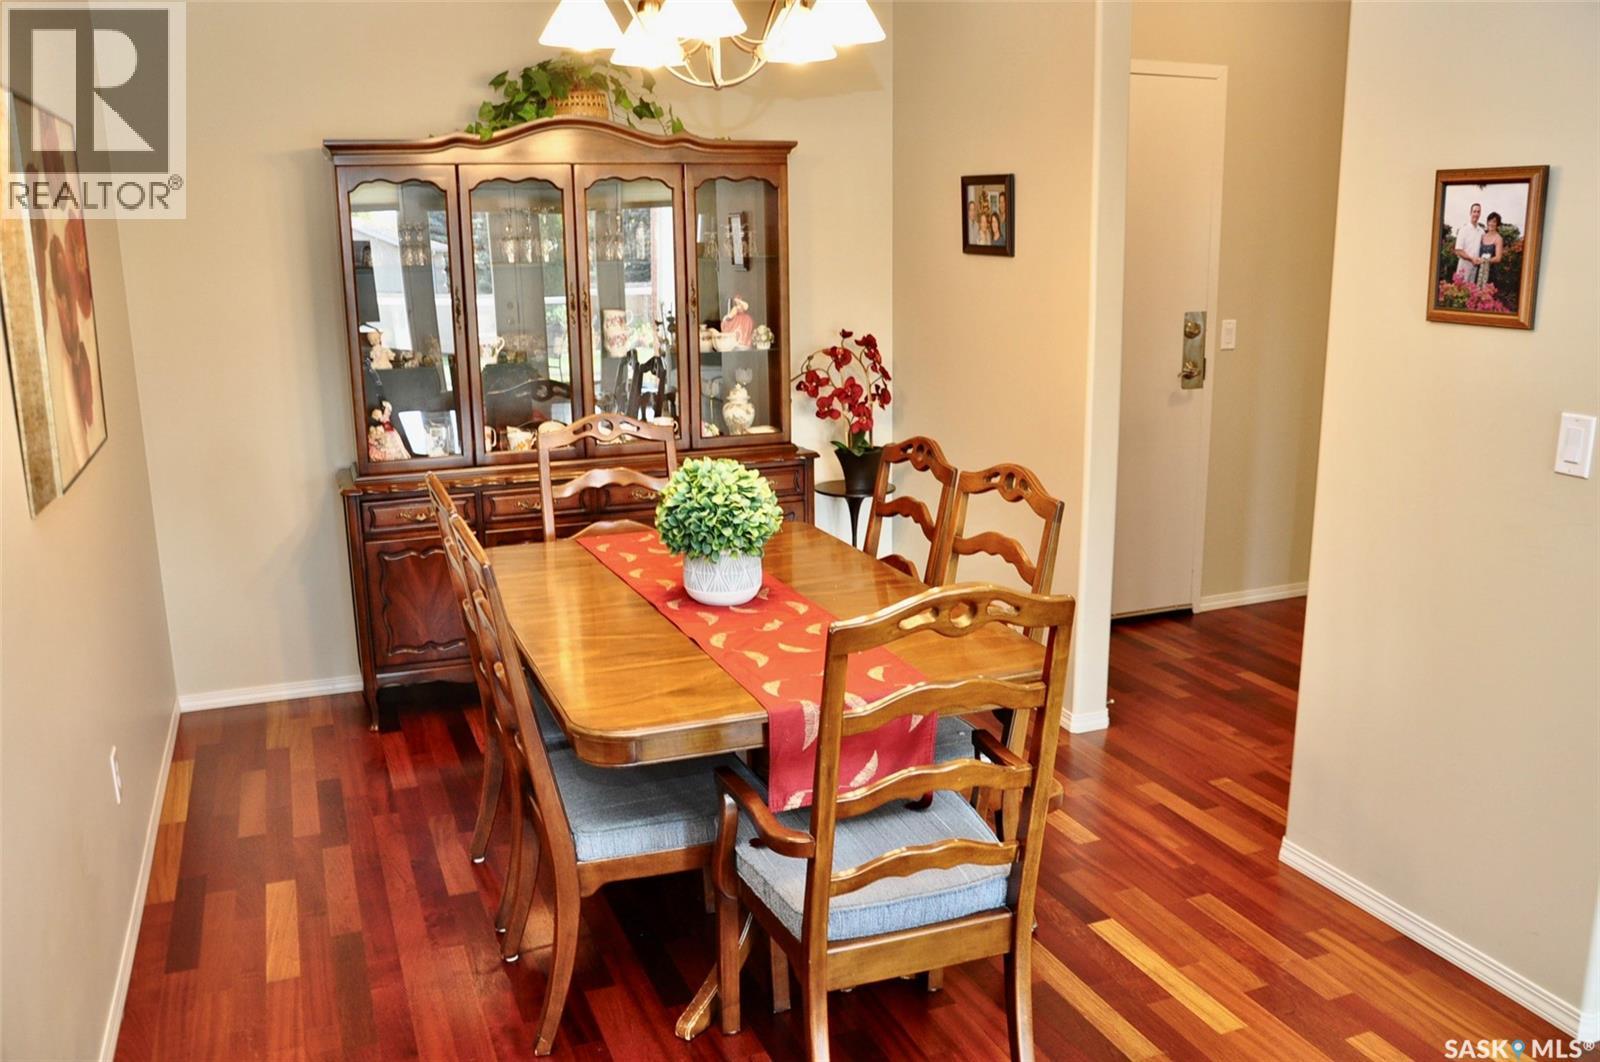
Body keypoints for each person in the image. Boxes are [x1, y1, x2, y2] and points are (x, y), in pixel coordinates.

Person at [1452, 201, 1485, 282]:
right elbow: (1458, 250)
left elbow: (1483, 249)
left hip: (1475, 267)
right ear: (1470, 213)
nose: (1476, 214)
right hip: (1463, 266)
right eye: (1474, 211)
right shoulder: (1463, 230)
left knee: (1472, 289)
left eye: (1478, 212)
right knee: (1460, 289)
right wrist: (1471, 259)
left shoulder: (1482, 232)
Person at [1476, 211, 1505, 289]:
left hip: (1491, 273)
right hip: (1480, 272)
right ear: (1487, 222)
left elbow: (1498, 258)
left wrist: (1485, 260)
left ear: (1497, 224)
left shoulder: (1498, 238)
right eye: (1490, 221)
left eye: (1494, 221)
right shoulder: (1483, 236)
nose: (1491, 223)